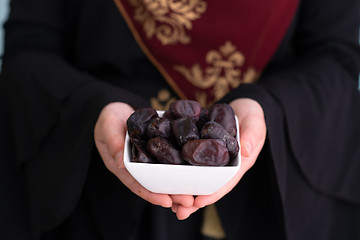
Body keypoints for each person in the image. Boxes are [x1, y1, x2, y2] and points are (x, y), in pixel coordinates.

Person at [0, 0, 360, 239]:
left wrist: (263, 107)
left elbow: (335, 57)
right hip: (97, 189)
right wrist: (97, 108)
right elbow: (30, 49)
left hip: (269, 190)